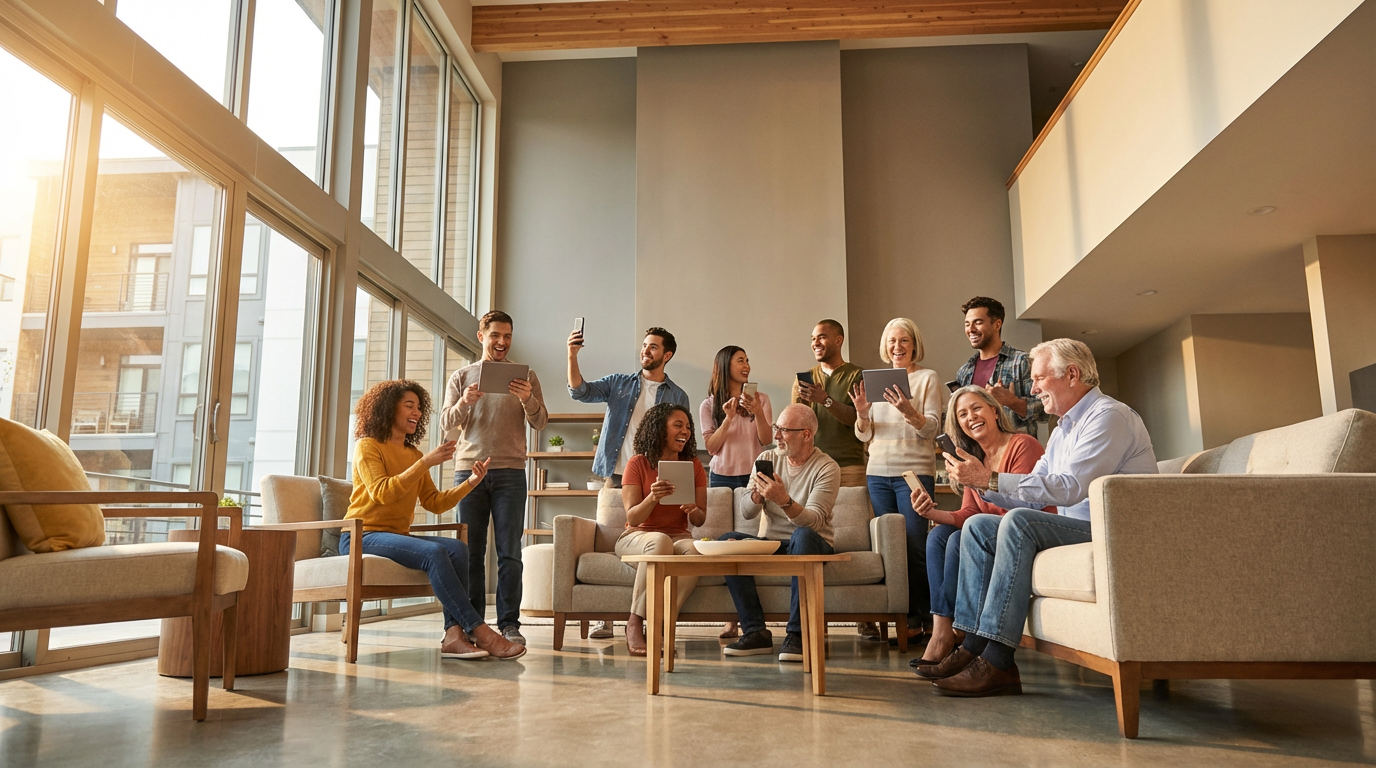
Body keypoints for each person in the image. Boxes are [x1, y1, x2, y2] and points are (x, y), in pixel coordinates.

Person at [917, 339, 1156, 696]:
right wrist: (981, 483)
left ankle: (998, 660)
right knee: (979, 526)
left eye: (1040, 378)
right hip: (1081, 527)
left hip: (1114, 530)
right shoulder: (1062, 430)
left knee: (1020, 522)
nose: (1032, 389)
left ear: (1072, 374)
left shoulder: (1108, 416)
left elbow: (1070, 487)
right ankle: (973, 644)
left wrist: (988, 478)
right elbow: (1032, 490)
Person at [342, 379, 525, 660]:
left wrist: (471, 483)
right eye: (409, 406)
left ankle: (453, 635)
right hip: (361, 536)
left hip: (395, 536)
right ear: (389, 409)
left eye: (418, 407)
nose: (416, 412)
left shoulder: (413, 454)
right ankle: (480, 631)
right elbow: (382, 493)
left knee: (458, 548)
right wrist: (425, 463)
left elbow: (434, 503)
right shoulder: (368, 447)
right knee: (435, 552)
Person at [909, 385, 1046, 668]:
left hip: (1022, 530)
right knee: (938, 536)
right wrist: (932, 512)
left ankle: (962, 635)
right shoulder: (975, 458)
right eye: (962, 414)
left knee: (957, 540)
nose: (970, 417)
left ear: (994, 411)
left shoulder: (1023, 445)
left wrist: (983, 480)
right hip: (985, 531)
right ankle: (942, 630)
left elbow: (1025, 505)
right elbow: (969, 512)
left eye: (976, 408)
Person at [569, 325, 690, 639]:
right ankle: (607, 619)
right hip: (618, 473)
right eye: (644, 345)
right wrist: (572, 355)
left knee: (653, 538)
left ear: (667, 355)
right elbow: (581, 392)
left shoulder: (677, 395)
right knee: (611, 540)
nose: (645, 351)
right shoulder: (619, 383)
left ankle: (644, 616)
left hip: (655, 476)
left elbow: (682, 437)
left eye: (653, 347)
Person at [440, 310, 547, 647]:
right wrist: (464, 402)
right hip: (469, 472)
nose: (502, 342)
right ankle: (473, 624)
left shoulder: (526, 376)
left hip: (510, 472)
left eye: (507, 336)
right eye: (495, 335)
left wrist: (527, 398)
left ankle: (509, 624)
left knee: (510, 552)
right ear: (481, 336)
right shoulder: (462, 376)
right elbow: (445, 422)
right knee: (470, 553)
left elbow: (541, 422)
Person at [721, 404, 839, 663]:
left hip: (814, 543)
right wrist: (757, 496)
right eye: (777, 428)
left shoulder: (827, 467)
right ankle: (755, 632)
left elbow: (815, 522)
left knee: (802, 535)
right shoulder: (767, 459)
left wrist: (784, 501)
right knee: (726, 542)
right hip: (773, 543)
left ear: (806, 434)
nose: (776, 436)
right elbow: (746, 513)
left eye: (784, 430)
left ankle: (797, 635)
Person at [850, 318, 942, 646]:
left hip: (913, 473)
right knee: (890, 548)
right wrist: (862, 413)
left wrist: (908, 410)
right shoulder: (876, 382)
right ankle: (908, 621)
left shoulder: (927, 378)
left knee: (915, 545)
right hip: (877, 473)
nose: (897, 347)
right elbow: (865, 435)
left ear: (914, 345)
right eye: (892, 341)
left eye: (904, 340)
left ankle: (930, 618)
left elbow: (932, 429)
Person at [614, 403, 708, 656]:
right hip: (637, 536)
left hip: (678, 536)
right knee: (660, 541)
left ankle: (661, 623)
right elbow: (633, 517)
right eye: (678, 425)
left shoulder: (693, 465)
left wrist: (693, 509)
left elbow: (700, 520)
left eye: (688, 426)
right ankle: (634, 622)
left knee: (696, 551)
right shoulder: (637, 463)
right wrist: (653, 498)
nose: (685, 431)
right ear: (659, 429)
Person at [700, 345, 773, 640]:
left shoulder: (762, 399)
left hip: (753, 477)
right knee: (724, 546)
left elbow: (766, 440)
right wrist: (729, 418)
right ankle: (731, 619)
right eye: (740, 360)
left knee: (747, 544)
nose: (747, 365)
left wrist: (757, 412)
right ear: (725, 365)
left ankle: (748, 616)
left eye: (747, 360)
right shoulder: (709, 406)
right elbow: (711, 447)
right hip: (721, 478)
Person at [956, 297, 1044, 436]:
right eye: (967, 324)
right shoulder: (964, 371)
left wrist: (1013, 402)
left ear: (997, 325)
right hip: (978, 449)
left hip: (1015, 447)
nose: (971, 329)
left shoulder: (1021, 361)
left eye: (978, 322)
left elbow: (1045, 411)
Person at [793, 319, 865, 487]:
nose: (815, 343)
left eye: (822, 337)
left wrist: (825, 400)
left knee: (852, 506)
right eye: (813, 339)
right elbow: (795, 426)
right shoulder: (804, 379)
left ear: (839, 340)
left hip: (849, 467)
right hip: (812, 467)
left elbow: (858, 419)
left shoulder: (857, 375)